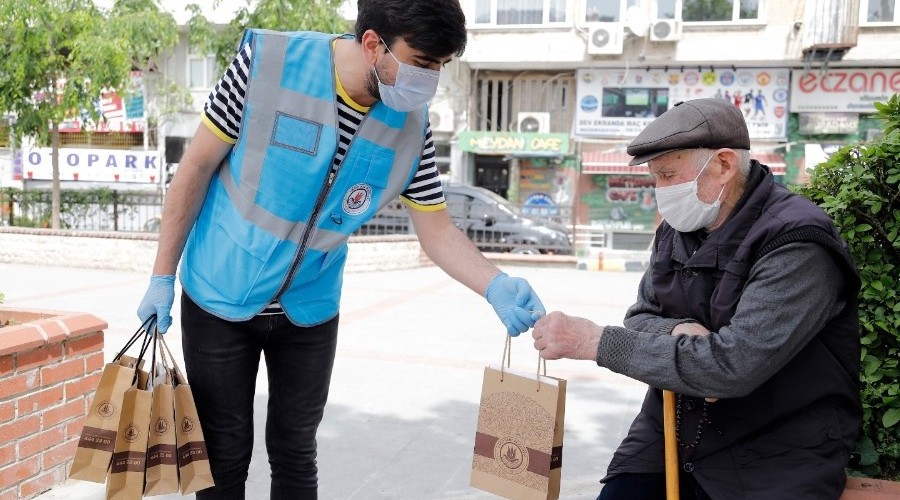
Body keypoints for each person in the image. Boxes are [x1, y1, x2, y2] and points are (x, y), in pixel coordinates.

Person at [135, 1, 545, 497]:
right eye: (420, 62)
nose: (427, 81)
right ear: (373, 43)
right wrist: (162, 275)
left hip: (310, 306)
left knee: (295, 450)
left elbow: (435, 230)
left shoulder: (412, 127)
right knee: (223, 453)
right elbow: (195, 168)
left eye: (439, 68)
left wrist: (494, 284)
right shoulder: (267, 64)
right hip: (220, 294)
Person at [531, 98, 861, 499]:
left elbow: (731, 367)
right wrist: (677, 329)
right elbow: (641, 316)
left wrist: (593, 341)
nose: (661, 191)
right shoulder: (679, 227)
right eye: (655, 177)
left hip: (777, 452)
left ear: (723, 165)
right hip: (672, 428)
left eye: (669, 175)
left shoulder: (797, 241)